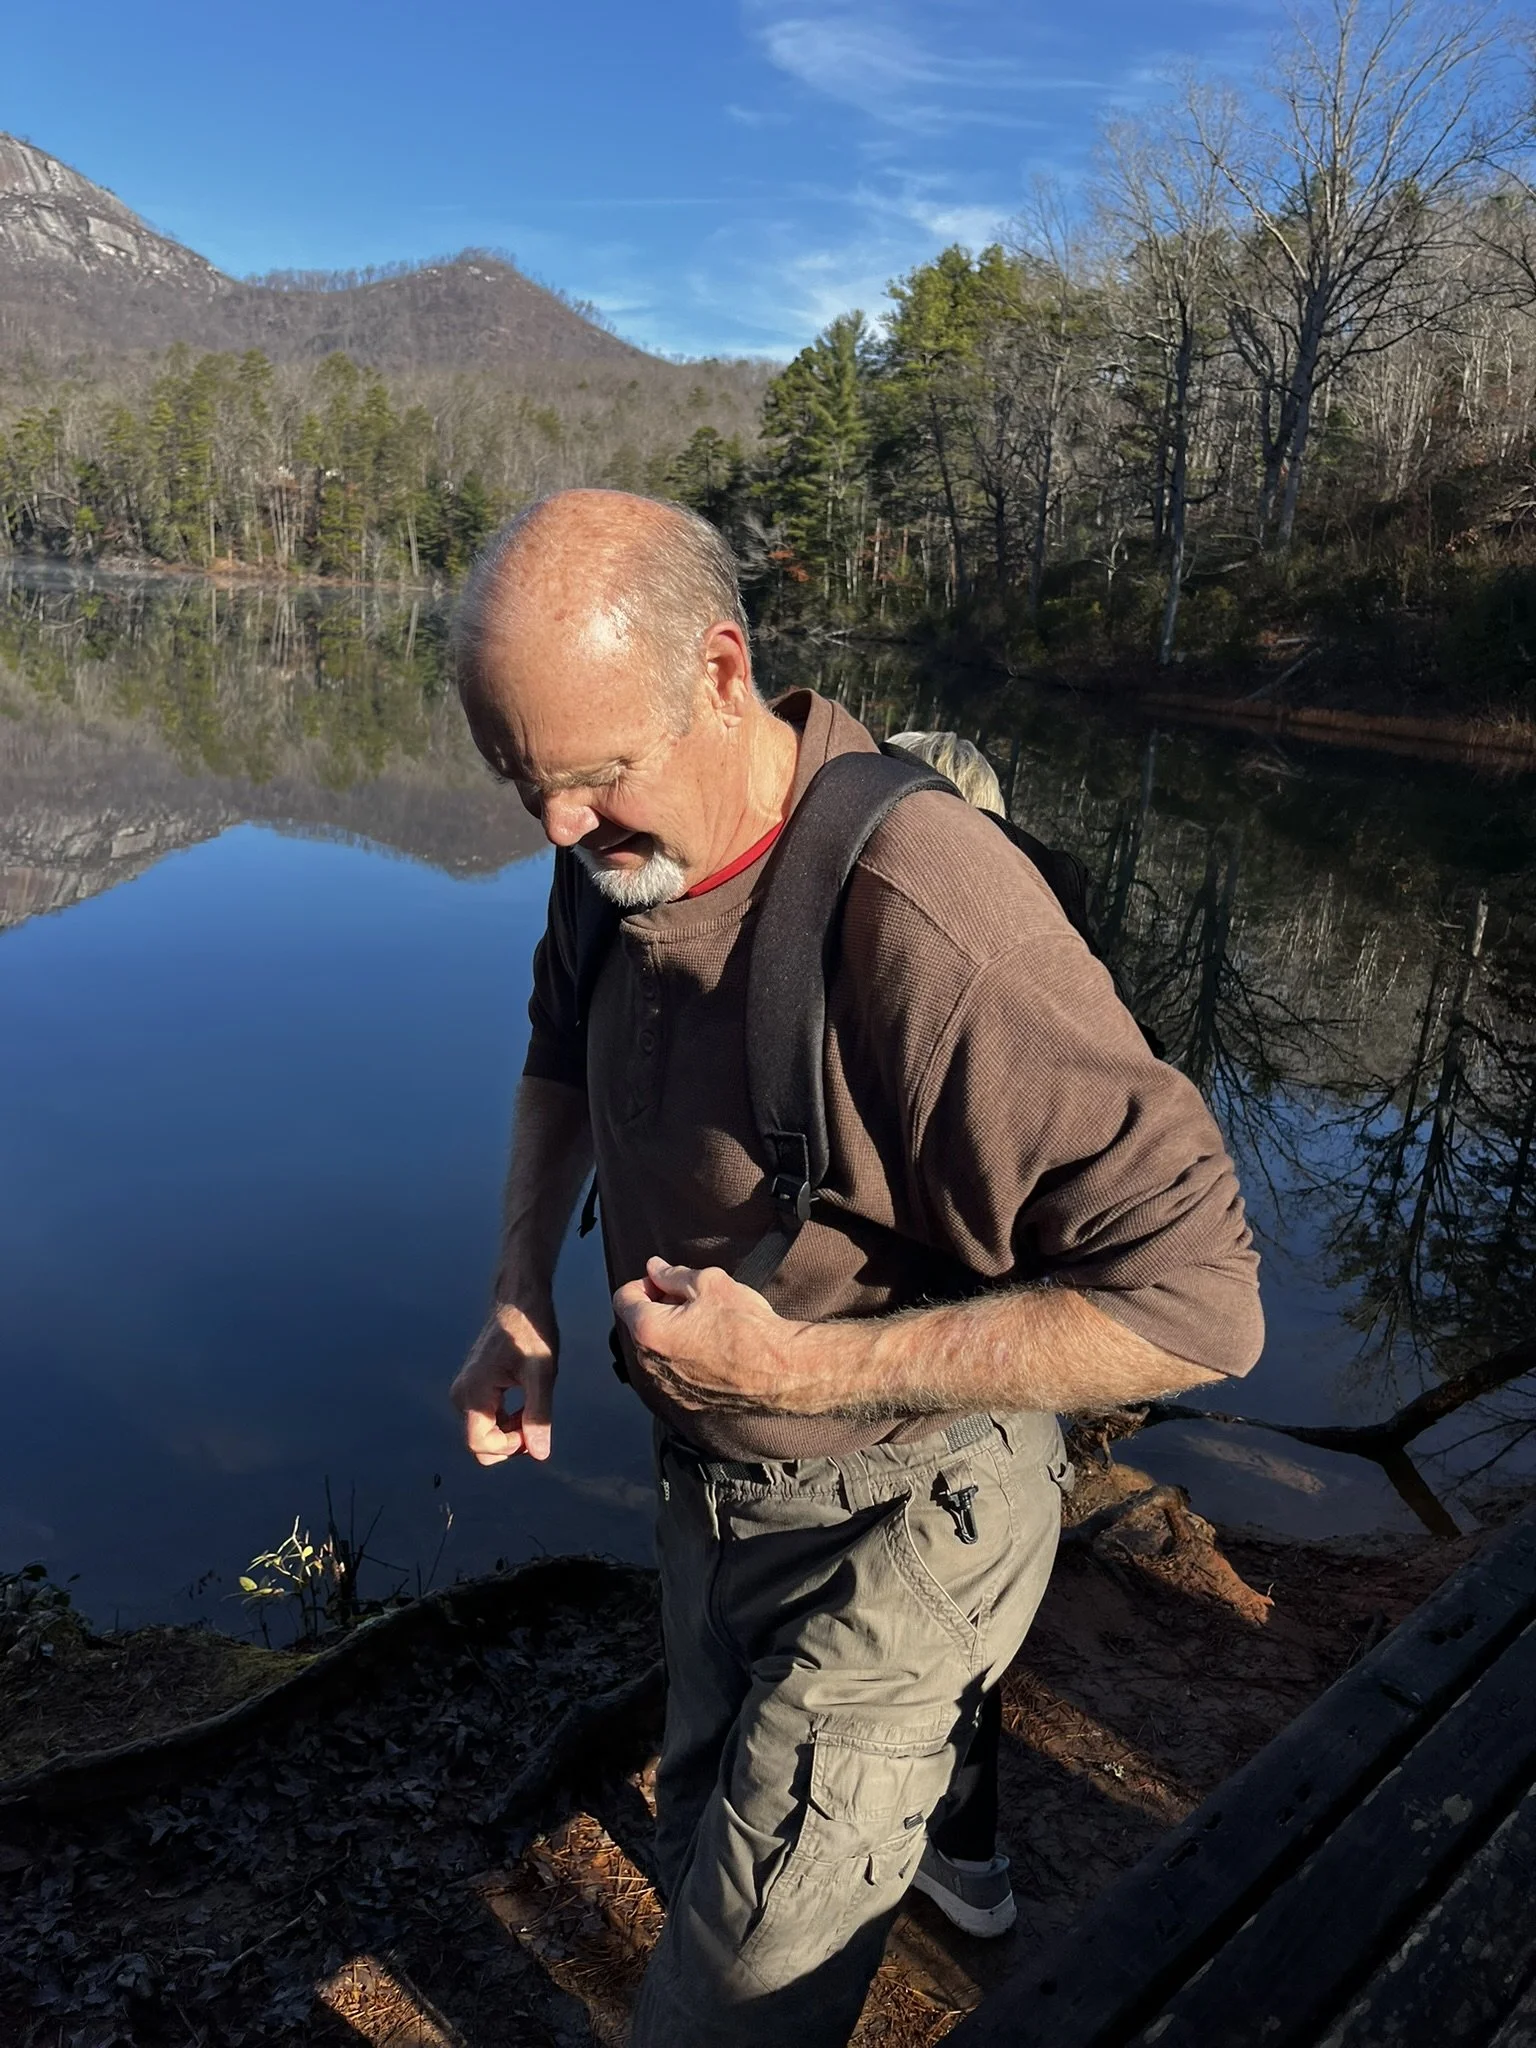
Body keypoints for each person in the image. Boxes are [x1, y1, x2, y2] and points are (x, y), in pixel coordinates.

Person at [447, 489, 1264, 2048]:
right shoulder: (604, 846)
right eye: (518, 781)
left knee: (726, 2010)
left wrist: (800, 1371)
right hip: (709, 1487)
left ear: (720, 669)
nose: (555, 830)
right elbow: (560, 1041)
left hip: (908, 1516)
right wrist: (517, 1290)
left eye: (593, 778)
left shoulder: (931, 916)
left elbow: (1203, 1301)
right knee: (698, 1855)